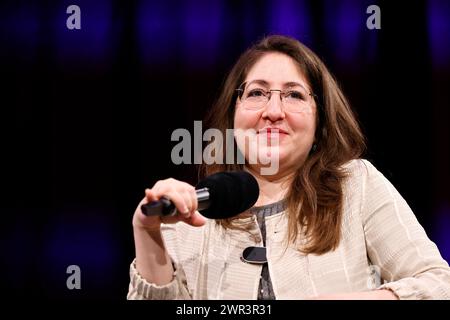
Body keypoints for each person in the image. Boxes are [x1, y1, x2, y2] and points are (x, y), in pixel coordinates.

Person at [127, 35, 450, 300]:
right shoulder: (191, 211)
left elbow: (439, 285)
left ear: (320, 121)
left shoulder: (357, 186)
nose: (273, 110)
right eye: (257, 93)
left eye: (294, 95)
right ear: (233, 115)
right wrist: (147, 230)